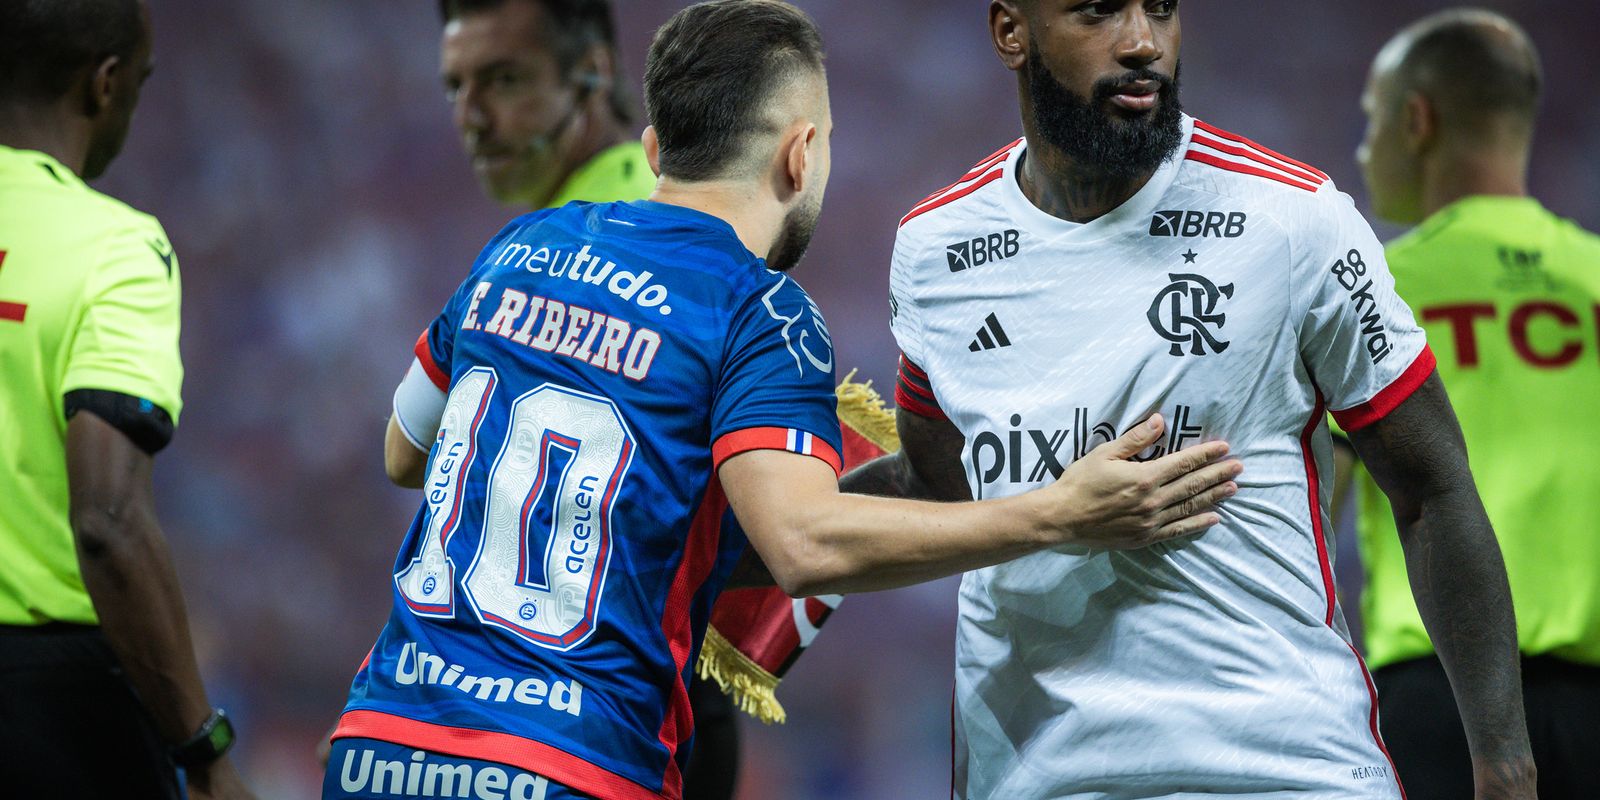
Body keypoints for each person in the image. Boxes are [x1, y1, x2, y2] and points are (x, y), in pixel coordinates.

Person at [324, 2, 1241, 798]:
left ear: (654, 151)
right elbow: (803, 543)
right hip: (566, 764)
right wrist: (1056, 513)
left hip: (380, 743)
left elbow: (407, 453)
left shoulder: (520, 246)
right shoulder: (760, 311)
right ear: (802, 154)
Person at [846, 1, 1538, 797]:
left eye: (1163, 9)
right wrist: (743, 530)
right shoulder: (936, 249)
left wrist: (1506, 764)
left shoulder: (1293, 218)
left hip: (1285, 769)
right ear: (1012, 32)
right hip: (1039, 775)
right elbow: (939, 488)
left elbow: (1432, 488)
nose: (1143, 43)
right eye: (1099, 11)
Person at [1334, 9, 1600, 798]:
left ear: (1416, 122)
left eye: (1373, 119)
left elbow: (1317, 497)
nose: (1363, 145)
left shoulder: (1375, 288)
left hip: (1440, 695)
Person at [0, 2, 254, 799]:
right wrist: (203, 752)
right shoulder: (113, 248)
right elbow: (107, 523)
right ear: (104, 85)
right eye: (140, 87)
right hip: (48, 707)